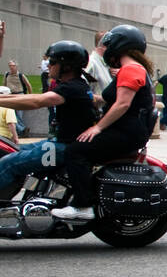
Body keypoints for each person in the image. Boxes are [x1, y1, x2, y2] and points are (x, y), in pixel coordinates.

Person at [53, 26, 158, 221]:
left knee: (75, 151)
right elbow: (117, 99)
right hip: (128, 129)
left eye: (109, 44)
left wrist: (98, 127)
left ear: (120, 45)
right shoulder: (131, 68)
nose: (107, 48)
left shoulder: (131, 69)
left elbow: (123, 104)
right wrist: (90, 98)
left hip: (126, 131)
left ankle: (82, 205)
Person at [0, 42, 97, 198]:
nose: (48, 66)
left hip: (63, 148)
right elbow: (35, 97)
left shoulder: (71, 88)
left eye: (52, 62)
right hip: (60, 143)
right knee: (12, 150)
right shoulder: (75, 85)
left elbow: (36, 102)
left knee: (8, 163)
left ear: (66, 66)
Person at [3, 60, 32, 136]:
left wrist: (30, 95)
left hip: (20, 95)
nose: (11, 67)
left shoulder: (21, 75)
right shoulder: (6, 75)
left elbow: (28, 85)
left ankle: (22, 130)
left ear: (16, 66)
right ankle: (23, 129)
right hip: (10, 96)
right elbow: (4, 86)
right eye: (10, 66)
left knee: (19, 115)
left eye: (13, 66)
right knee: (12, 115)